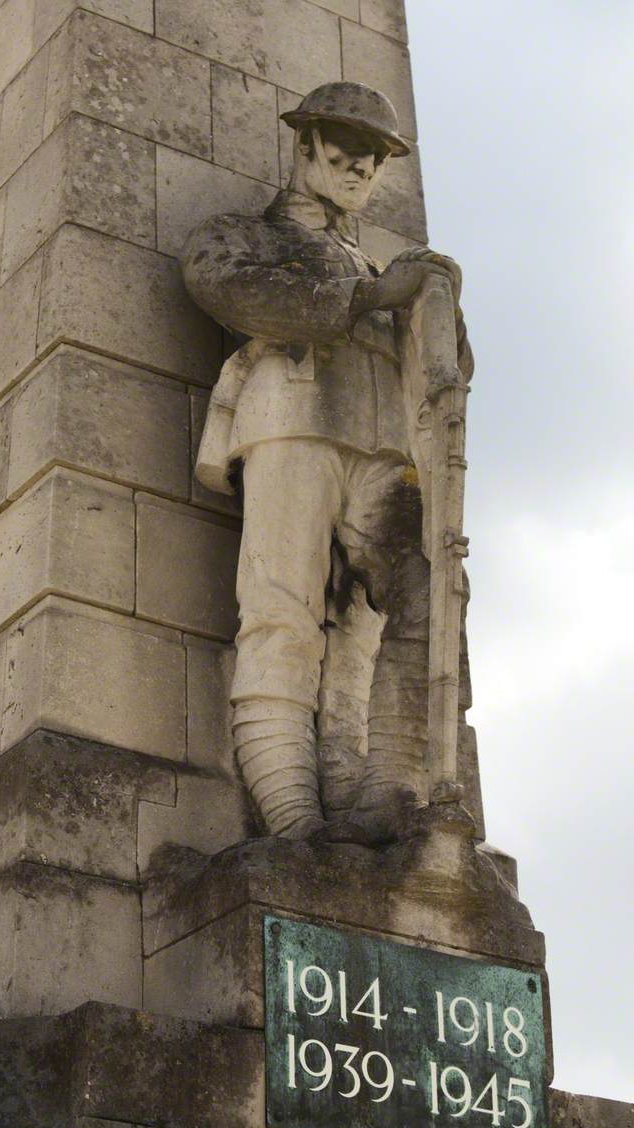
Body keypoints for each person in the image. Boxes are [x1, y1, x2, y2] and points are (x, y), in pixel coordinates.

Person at [181, 82, 472, 840]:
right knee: (281, 609)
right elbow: (229, 288)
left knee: (393, 610)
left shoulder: (382, 266)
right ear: (304, 145)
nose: (361, 165)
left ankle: (369, 787)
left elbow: (446, 376)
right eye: (346, 147)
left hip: (383, 444)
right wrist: (374, 295)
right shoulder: (247, 235)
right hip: (291, 420)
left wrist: (438, 309)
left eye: (375, 156)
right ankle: (290, 811)